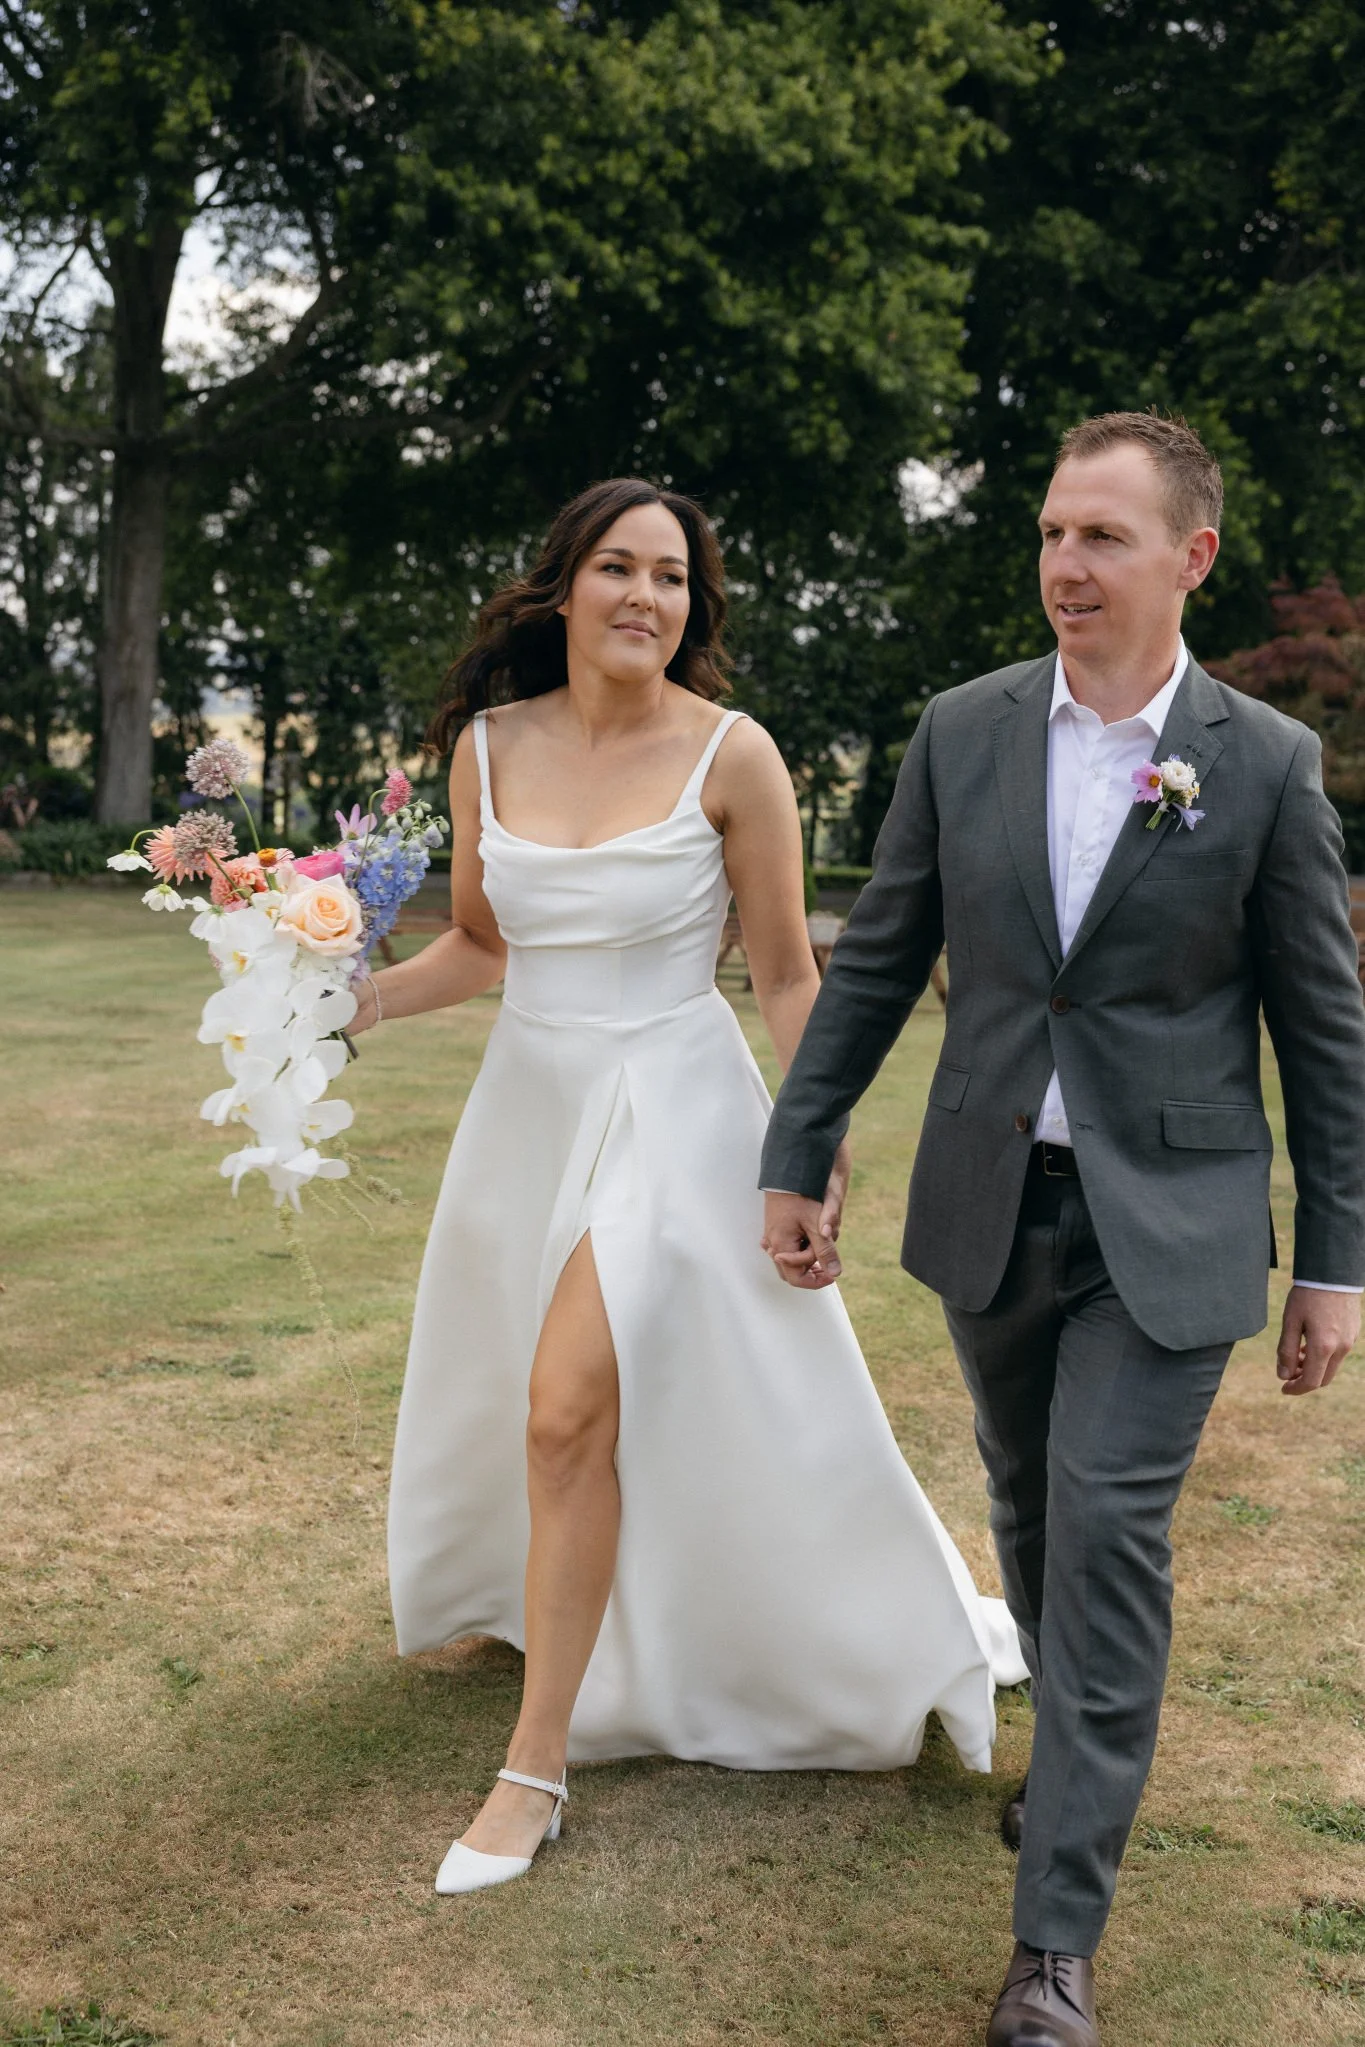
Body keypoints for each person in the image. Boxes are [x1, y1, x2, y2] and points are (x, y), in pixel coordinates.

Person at [759, 413, 1365, 2047]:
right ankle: (1076, 1767)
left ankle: (1053, 1949)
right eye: (1048, 532)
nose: (1063, 566)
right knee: (1028, 1509)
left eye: (1101, 535)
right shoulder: (963, 732)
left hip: (1167, 1222)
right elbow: (880, 957)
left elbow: (1325, 1029)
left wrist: (1336, 1258)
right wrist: (797, 1150)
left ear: (1193, 556)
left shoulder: (1264, 764)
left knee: (1104, 1533)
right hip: (986, 1203)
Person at [351, 477, 1026, 1897]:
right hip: (531, 1105)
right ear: (564, 587)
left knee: (563, 1403)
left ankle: (533, 1772)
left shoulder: (735, 755)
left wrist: (816, 1131)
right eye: (619, 567)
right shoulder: (485, 748)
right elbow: (479, 944)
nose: (647, 597)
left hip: (679, 1106)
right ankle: (568, 1618)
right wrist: (344, 1000)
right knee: (541, 1410)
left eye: (673, 578)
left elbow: (787, 969)